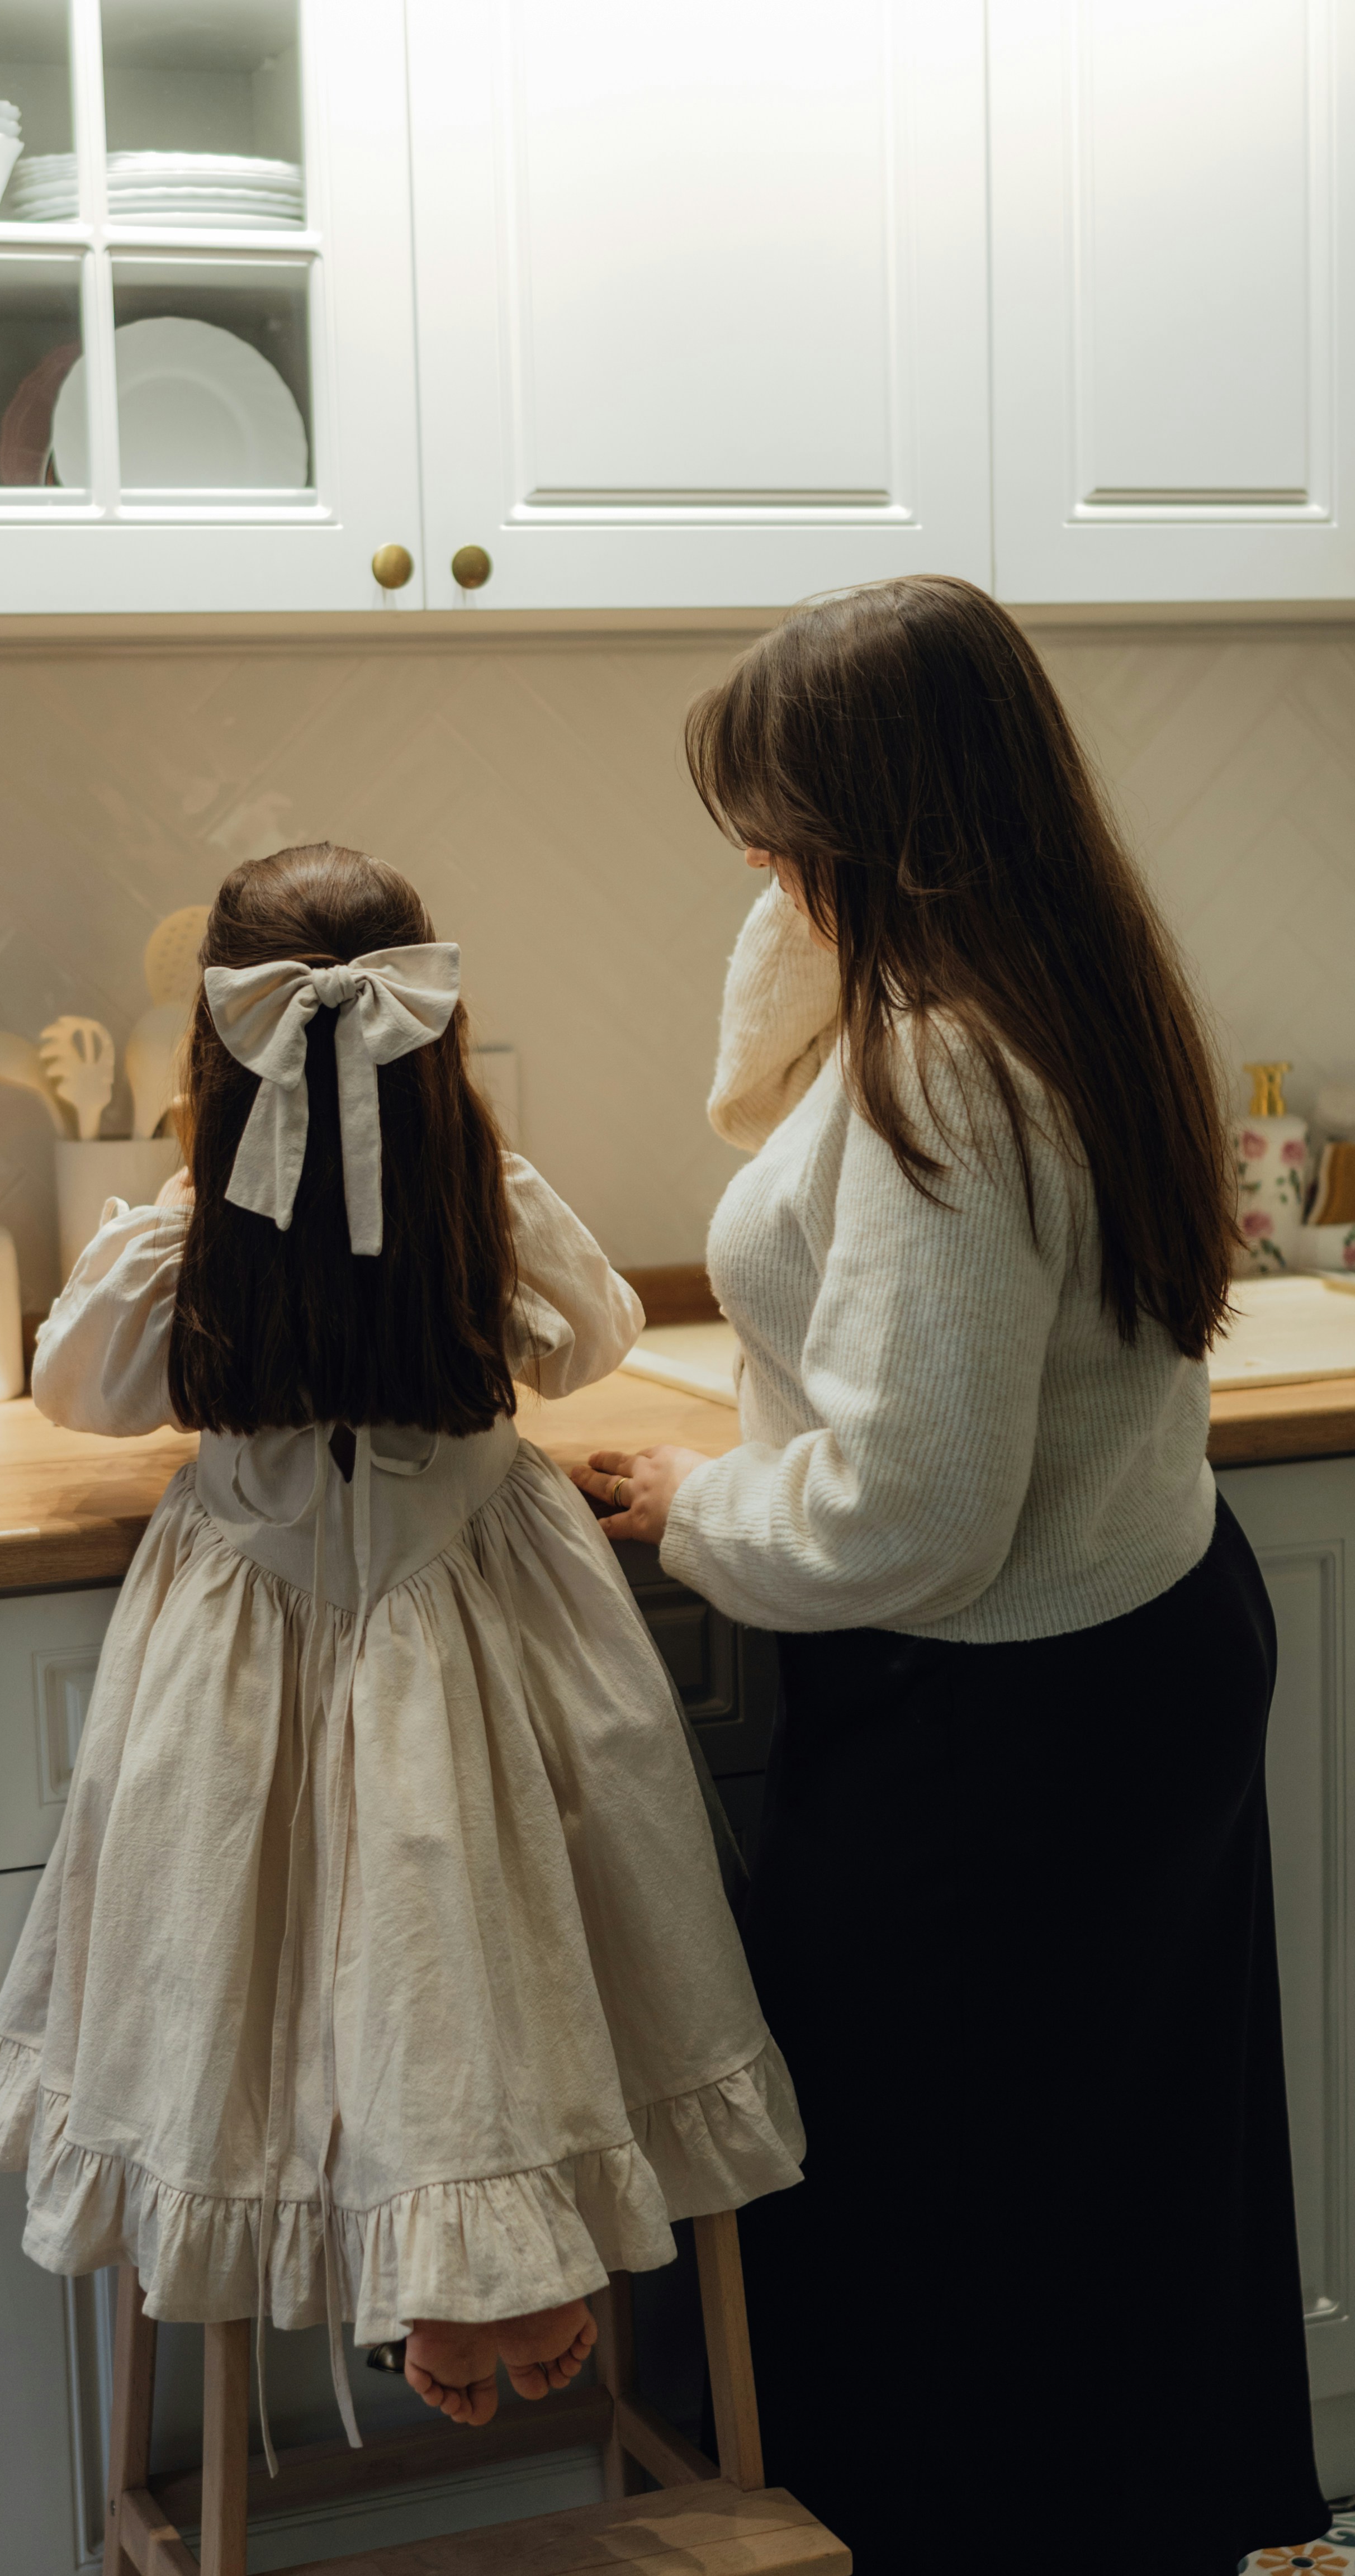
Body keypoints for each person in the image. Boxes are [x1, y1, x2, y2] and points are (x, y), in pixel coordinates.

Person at [571, 579, 1326, 2575]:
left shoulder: (950, 1080)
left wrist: (699, 1500)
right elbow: (765, 1112)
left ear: (877, 826)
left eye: (773, 824)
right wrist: (828, 896)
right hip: (1129, 1653)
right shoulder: (1051, 978)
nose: (749, 863)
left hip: (999, 1705)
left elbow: (916, 1510)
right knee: (1123, 2193)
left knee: (948, 2214)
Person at [0, 841, 803, 2457]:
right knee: (466, 1912)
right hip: (483, 1606)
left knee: (274, 1955)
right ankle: (489, 2264)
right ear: (433, 1044)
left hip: (243, 1634)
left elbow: (75, 1388)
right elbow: (602, 1332)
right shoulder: (484, 1207)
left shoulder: (197, 1235)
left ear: (219, 1046)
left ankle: (428, 2279)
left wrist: (196, 1196)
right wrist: (464, 1183)